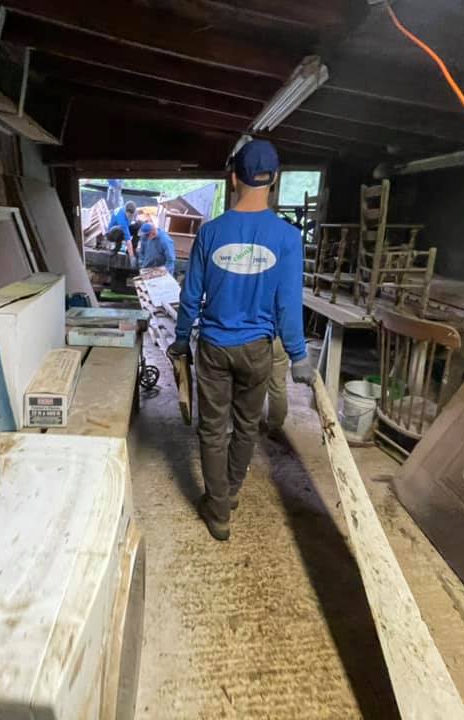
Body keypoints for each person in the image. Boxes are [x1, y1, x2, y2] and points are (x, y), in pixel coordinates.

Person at [168, 140, 312, 541]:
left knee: (212, 430)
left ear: (234, 177)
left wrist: (181, 342)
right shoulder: (287, 237)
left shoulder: (211, 232)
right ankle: (230, 492)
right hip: (258, 350)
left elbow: (190, 296)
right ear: (274, 180)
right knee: (246, 426)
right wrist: (298, 355)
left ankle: (218, 513)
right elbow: (288, 304)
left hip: (214, 346)